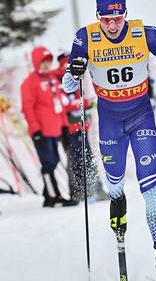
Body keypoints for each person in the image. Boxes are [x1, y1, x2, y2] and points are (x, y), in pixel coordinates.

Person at [62, 0, 156, 280]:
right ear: (97, 16)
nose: (112, 25)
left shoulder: (145, 34)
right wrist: (74, 71)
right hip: (110, 121)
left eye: (117, 17)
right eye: (106, 18)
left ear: (124, 13)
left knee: (149, 185)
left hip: (141, 118)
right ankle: (118, 204)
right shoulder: (85, 37)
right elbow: (66, 85)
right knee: (115, 186)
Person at [21, 46, 76, 208]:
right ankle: (54, 196)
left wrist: (65, 126)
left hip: (55, 128)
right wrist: (35, 128)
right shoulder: (30, 82)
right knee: (49, 162)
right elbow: (27, 107)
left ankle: (48, 195)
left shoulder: (52, 78)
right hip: (41, 130)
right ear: (36, 62)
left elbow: (59, 103)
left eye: (48, 61)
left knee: (55, 160)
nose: (46, 65)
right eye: (42, 62)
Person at [55, 51, 106, 202]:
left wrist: (86, 104)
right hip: (69, 128)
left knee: (88, 157)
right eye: (66, 63)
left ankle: (95, 189)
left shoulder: (76, 77)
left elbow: (78, 99)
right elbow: (63, 103)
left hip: (81, 126)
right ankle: (79, 191)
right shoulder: (59, 79)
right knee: (76, 159)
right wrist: (80, 103)